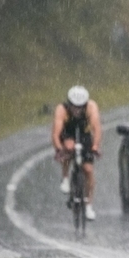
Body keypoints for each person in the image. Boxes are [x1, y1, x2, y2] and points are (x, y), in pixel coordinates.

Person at [52, 85, 102, 221]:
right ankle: (65, 178)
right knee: (68, 147)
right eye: (74, 106)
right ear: (68, 103)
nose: (77, 110)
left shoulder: (91, 107)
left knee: (88, 170)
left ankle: (89, 205)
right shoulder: (61, 109)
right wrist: (59, 149)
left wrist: (96, 146)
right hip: (67, 131)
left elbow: (96, 129)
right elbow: (56, 133)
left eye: (80, 107)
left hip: (84, 133)